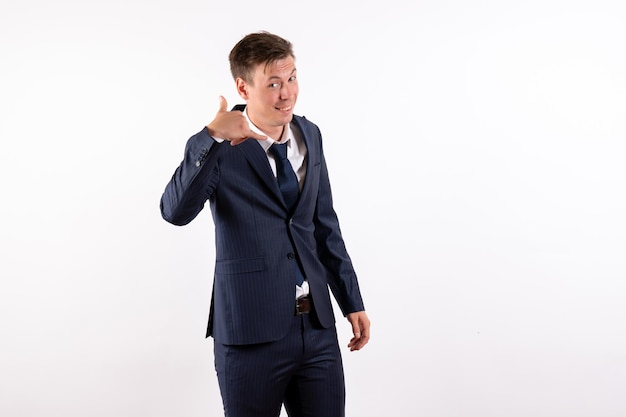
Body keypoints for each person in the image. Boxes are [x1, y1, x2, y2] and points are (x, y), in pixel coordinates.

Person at [160, 31, 370, 417]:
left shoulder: (311, 135)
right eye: (273, 84)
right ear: (243, 86)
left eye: (291, 79)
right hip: (249, 333)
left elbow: (323, 226)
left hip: (317, 329)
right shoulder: (218, 148)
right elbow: (174, 212)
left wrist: (350, 300)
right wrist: (209, 137)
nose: (286, 93)